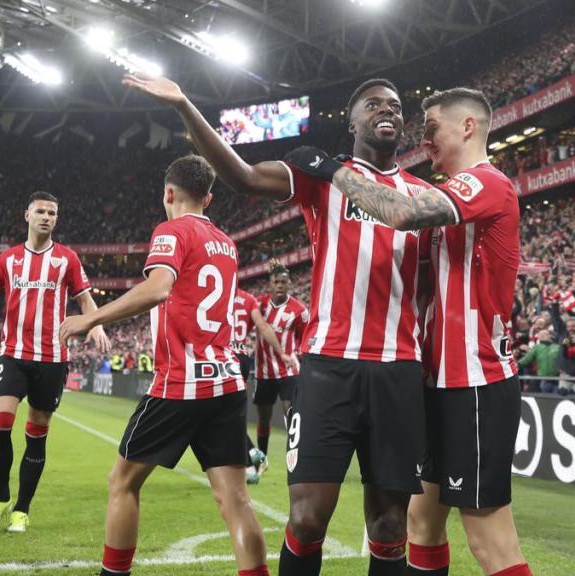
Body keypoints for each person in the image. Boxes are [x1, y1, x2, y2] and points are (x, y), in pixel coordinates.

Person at [124, 72, 430, 576]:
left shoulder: (420, 197)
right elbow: (243, 175)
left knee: (390, 526)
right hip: (329, 367)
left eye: (396, 104)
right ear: (351, 121)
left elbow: (427, 284)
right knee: (308, 519)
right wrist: (183, 103)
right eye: (374, 104)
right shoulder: (322, 178)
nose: (388, 110)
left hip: (398, 371)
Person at [285, 86, 531, 575]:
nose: (424, 138)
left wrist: (333, 170)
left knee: (489, 540)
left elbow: (398, 214)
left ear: (467, 127)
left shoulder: (485, 182)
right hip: (432, 380)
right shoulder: (446, 195)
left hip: (475, 382)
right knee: (420, 524)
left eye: (433, 127)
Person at [58, 155, 269, 576]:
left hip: (180, 384)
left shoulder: (171, 231)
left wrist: (91, 317)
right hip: (226, 382)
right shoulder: (226, 242)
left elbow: (158, 289)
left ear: (168, 193)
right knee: (236, 500)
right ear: (208, 197)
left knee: (122, 482)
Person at [0, 191, 111, 534]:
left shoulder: (67, 259)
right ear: (27, 215)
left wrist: (95, 324)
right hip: (13, 356)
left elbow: (85, 300)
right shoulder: (8, 259)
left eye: (52, 213)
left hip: (52, 359)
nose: (46, 217)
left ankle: (22, 509)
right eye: (40, 211)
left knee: (36, 435)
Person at [232, 283, 294, 485]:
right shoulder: (249, 299)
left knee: (221, 415)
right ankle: (249, 457)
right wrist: (281, 352)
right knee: (229, 414)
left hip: (222, 358)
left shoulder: (217, 297)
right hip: (241, 359)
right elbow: (263, 327)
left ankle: (252, 456)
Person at [252, 260, 308, 476]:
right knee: (263, 419)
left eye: (283, 282)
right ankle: (261, 461)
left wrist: (299, 358)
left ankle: (294, 462)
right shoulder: (259, 305)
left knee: (292, 416)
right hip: (263, 372)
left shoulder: (299, 310)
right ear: (270, 283)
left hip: (289, 372)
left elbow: (304, 339)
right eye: (276, 281)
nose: (279, 285)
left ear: (290, 283)